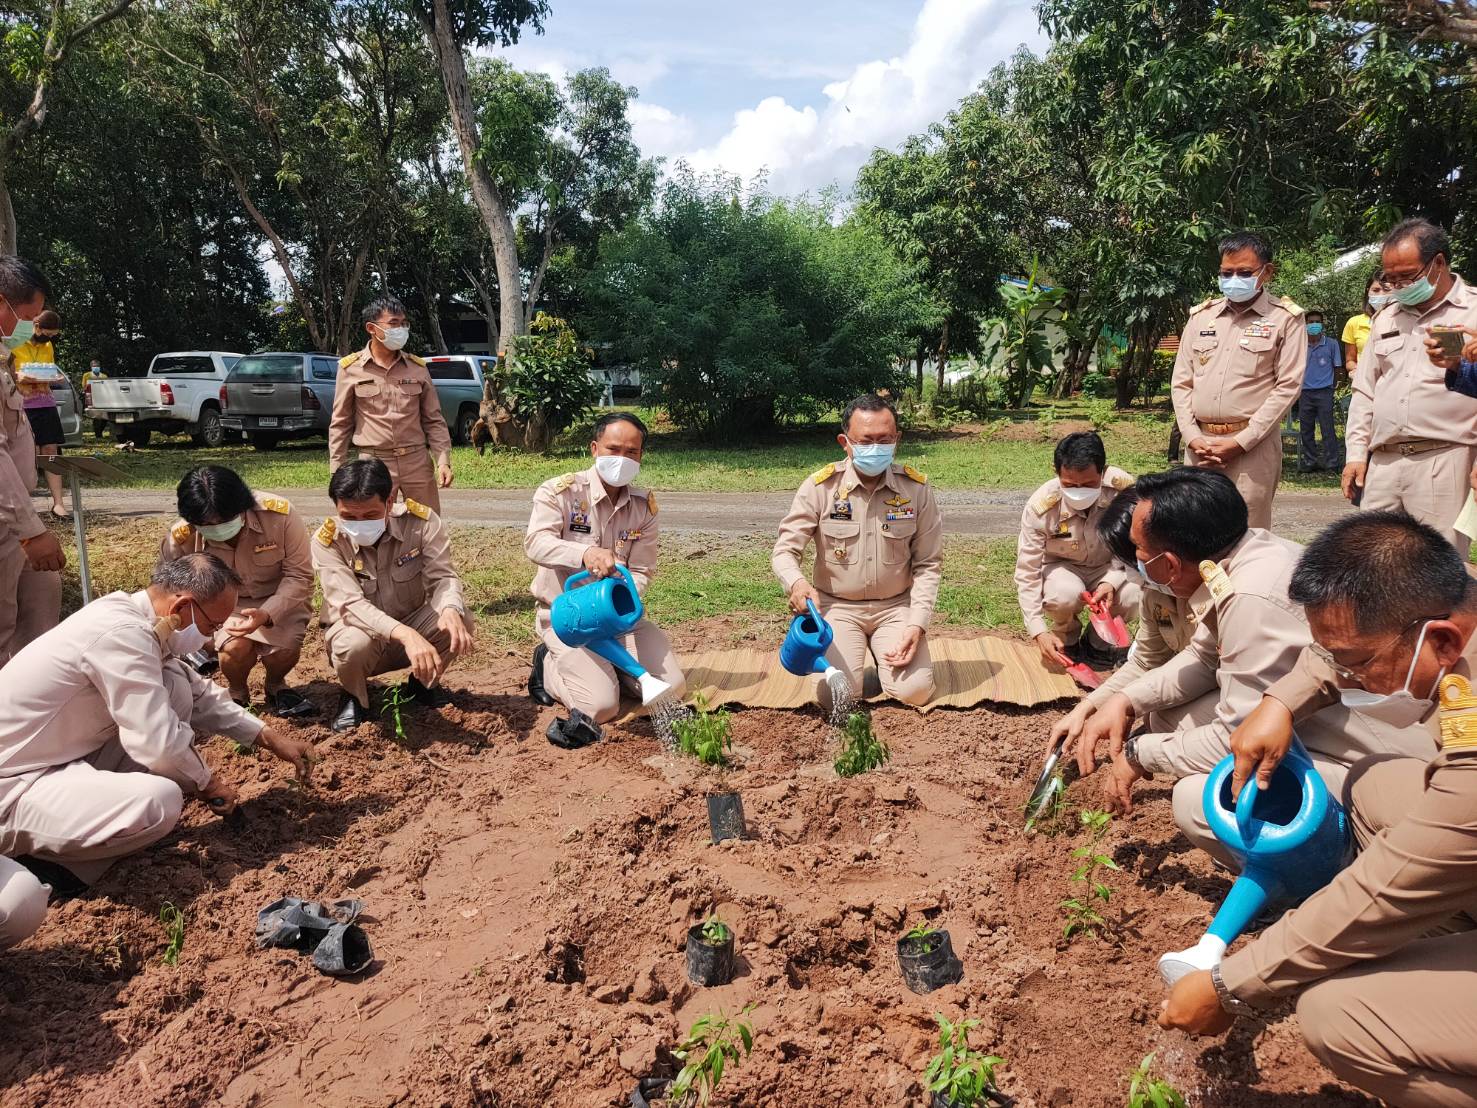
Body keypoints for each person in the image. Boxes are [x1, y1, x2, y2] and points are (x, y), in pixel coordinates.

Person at [1160, 512, 1477, 1107]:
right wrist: (1280, 701)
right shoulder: (1454, 601)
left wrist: (1230, 985)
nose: (1350, 678)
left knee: (1338, 1015)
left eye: (1360, 663)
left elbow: (1386, 889)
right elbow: (1330, 654)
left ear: (1442, 641)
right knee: (1377, 784)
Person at [1074, 468, 1429, 863]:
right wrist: (1125, 700)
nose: (1135, 563)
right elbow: (1204, 656)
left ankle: (1333, 866)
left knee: (1196, 802)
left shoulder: (1250, 600)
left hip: (1381, 758)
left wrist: (1138, 754)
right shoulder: (1246, 555)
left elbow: (1236, 737)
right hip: (1322, 719)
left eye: (1140, 553)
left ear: (1168, 565)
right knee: (1168, 717)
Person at [0, 554, 313, 893]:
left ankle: (78, 831)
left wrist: (268, 736)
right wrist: (207, 784)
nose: (211, 637)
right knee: (159, 803)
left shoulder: (137, 621)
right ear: (181, 607)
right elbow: (158, 744)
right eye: (212, 626)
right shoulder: (122, 635)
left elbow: (199, 694)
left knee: (175, 689)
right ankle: (50, 869)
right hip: (14, 784)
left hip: (51, 758)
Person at [772, 394, 942, 707]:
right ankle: (859, 667)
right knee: (836, 696)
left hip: (895, 607)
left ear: (897, 440)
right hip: (837, 607)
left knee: (915, 692)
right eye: (866, 440)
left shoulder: (916, 489)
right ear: (845, 442)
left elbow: (928, 564)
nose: (876, 448)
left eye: (885, 440)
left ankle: (882, 661)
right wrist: (797, 584)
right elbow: (785, 550)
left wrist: (916, 624)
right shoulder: (820, 488)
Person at [523, 412, 685, 740]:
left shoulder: (644, 507)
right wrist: (584, 554)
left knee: (673, 688)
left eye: (631, 452)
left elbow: (641, 570)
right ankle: (547, 668)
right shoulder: (560, 492)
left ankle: (616, 671)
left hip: (619, 619)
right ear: (594, 448)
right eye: (613, 449)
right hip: (568, 619)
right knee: (600, 707)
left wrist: (622, 596)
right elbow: (535, 543)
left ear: (641, 456)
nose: (621, 458)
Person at [1047, 489, 1218, 762]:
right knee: (1154, 714)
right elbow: (1145, 661)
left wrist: (1128, 706)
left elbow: (1207, 665)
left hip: (1240, 694)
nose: (1128, 572)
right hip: (1209, 682)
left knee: (1160, 718)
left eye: (1133, 561)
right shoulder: (1156, 593)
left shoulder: (1219, 593)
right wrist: (1086, 708)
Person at [1344, 218, 1477, 555]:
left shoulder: (1473, 310)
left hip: (1446, 457)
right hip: (1384, 461)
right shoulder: (1386, 317)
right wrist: (1356, 454)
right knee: (1373, 561)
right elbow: (1365, 390)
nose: (1398, 286)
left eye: (1408, 276)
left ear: (1439, 263)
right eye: (1391, 278)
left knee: (1438, 565)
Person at [313, 459, 474, 732]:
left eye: (370, 515)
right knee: (351, 645)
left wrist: (449, 608)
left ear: (389, 502)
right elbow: (351, 605)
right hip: (361, 633)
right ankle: (354, 696)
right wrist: (406, 635)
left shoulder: (420, 522)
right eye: (349, 516)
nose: (359, 524)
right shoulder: (327, 542)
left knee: (461, 619)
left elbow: (443, 576)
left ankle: (423, 684)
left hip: (412, 623)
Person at [1170, 231, 1307, 529]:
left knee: (1247, 534)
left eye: (1244, 273)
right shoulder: (1201, 317)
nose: (1234, 279)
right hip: (1200, 446)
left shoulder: (1285, 319)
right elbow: (1181, 383)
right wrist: (1192, 436)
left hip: (1251, 449)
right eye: (1226, 273)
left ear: (1267, 272)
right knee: (1195, 532)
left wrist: (1240, 443)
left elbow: (1287, 387)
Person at [157, 466, 315, 716]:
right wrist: (200, 629)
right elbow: (168, 590)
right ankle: (238, 691)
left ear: (243, 506)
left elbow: (299, 576)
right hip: (222, 607)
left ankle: (276, 685)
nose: (217, 527)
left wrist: (267, 613)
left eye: (224, 520)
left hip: (278, 600)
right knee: (235, 648)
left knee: (283, 650)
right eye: (207, 524)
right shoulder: (182, 537)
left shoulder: (280, 516)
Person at [1014, 431, 1138, 669]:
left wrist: (1111, 582)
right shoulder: (1041, 507)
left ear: (1103, 472)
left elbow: (1135, 547)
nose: (1079, 491)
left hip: (1110, 566)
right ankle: (1066, 638)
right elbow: (1027, 571)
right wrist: (1038, 631)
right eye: (1069, 485)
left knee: (1134, 594)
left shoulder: (1123, 493)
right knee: (1064, 595)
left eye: (1089, 484)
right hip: (1062, 569)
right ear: (1056, 472)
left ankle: (1098, 643)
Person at [329, 296, 453, 513]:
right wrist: (337, 469)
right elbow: (341, 423)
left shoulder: (417, 367)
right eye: (393, 323)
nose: (401, 329)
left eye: (404, 323)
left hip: (416, 461)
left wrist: (443, 461)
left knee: (427, 522)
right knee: (376, 522)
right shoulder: (350, 369)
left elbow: (434, 420)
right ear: (371, 328)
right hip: (374, 463)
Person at [0, 255, 65, 668]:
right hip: (10, 521)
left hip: (12, 522)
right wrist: (32, 532)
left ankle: (26, 693)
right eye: (25, 317)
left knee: (43, 590)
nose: (27, 327)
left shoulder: (4, 360)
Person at [1297, 308, 1344, 473]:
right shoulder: (1299, 344)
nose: (1314, 325)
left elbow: (1338, 367)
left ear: (1322, 324)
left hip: (1325, 392)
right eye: (1311, 322)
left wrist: (1334, 386)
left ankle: (1332, 463)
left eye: (1317, 322)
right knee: (1306, 429)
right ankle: (1310, 461)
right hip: (1304, 392)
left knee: (1327, 429)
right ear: (1305, 324)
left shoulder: (1331, 344)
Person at [1340, 275, 1388, 370]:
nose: (1381, 294)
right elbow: (1350, 361)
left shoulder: (1404, 320)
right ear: (1368, 291)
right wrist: (1360, 372)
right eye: (1376, 290)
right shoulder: (1354, 323)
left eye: (1386, 290)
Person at [81, 359, 107, 438]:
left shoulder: (104, 376)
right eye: (94, 366)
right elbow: (84, 387)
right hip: (91, 397)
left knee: (104, 417)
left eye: (97, 366)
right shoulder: (86, 375)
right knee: (96, 416)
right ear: (91, 367)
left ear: (100, 367)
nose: (96, 367)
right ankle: (98, 434)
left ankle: (100, 431)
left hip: (102, 397)